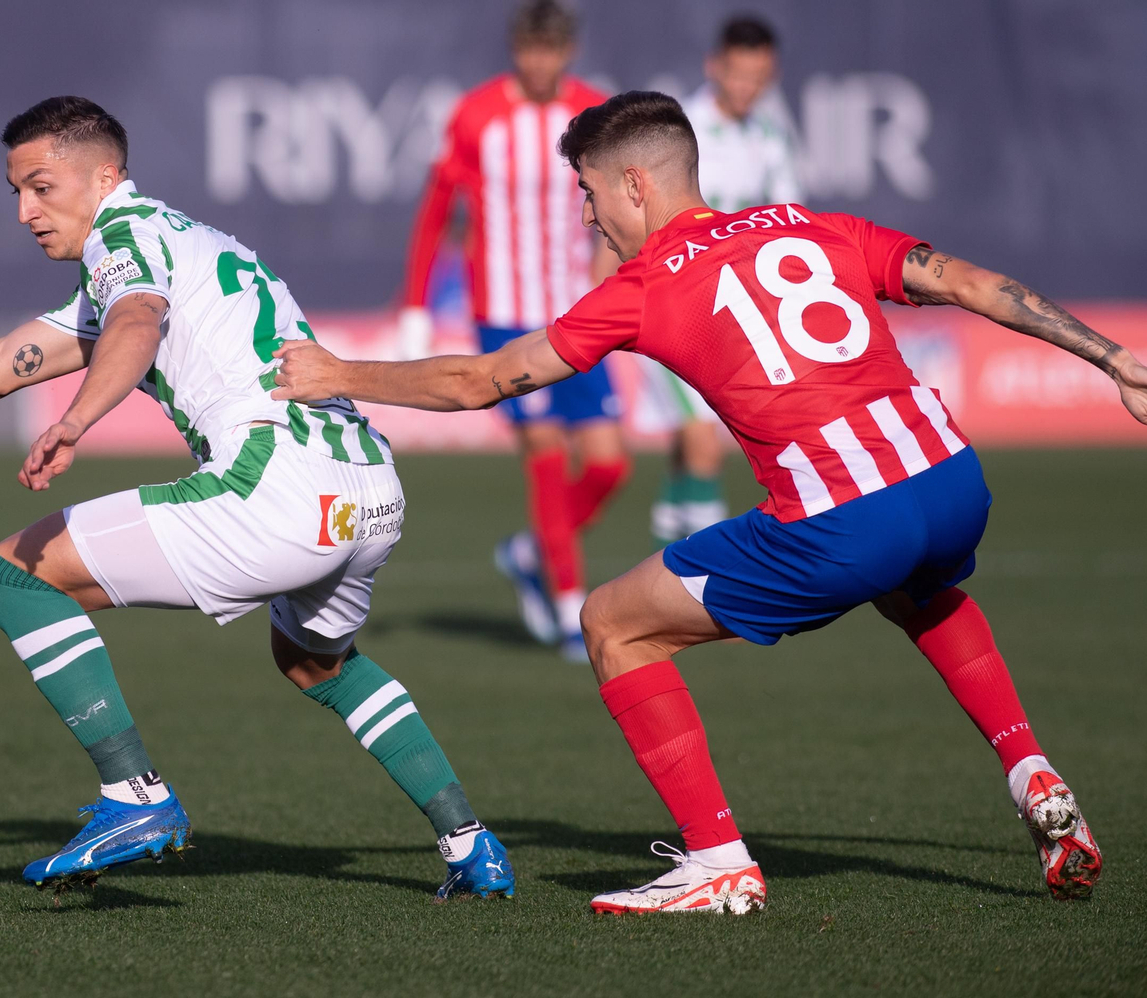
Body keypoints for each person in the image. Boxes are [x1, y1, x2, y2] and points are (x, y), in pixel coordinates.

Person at [272, 91, 1147, 914]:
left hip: (845, 521)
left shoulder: (646, 284)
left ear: (635, 184)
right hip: (954, 483)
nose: (585, 215)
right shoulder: (813, 223)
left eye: (586, 192)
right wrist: (1113, 359)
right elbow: (969, 282)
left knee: (613, 623)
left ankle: (717, 863)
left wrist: (337, 374)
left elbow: (484, 380)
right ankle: (1030, 767)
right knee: (919, 583)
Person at [0, 96, 513, 900]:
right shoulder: (181, 242)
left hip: (276, 486)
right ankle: (469, 840)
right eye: (15, 192)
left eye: (41, 187)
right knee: (316, 663)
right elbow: (0, 365)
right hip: (368, 497)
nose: (24, 212)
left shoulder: (124, 239)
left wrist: (77, 419)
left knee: (14, 574)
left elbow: (139, 323)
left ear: (105, 176)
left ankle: (134, 795)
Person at [399, 0, 628, 661]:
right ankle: (566, 608)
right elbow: (437, 209)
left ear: (568, 52)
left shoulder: (595, 113)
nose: (538, 63)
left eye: (549, 51)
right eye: (528, 50)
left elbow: (617, 204)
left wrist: (613, 271)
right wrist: (416, 306)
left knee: (609, 463)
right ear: (515, 50)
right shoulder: (476, 116)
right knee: (547, 452)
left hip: (576, 309)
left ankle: (530, 552)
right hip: (503, 312)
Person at [644, 15, 805, 550]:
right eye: (737, 73)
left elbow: (788, 219)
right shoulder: (679, 134)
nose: (745, 87)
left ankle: (670, 525)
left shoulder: (771, 139)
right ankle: (710, 586)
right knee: (704, 441)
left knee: (695, 442)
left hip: (733, 310)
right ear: (715, 66)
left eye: (757, 76)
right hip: (673, 304)